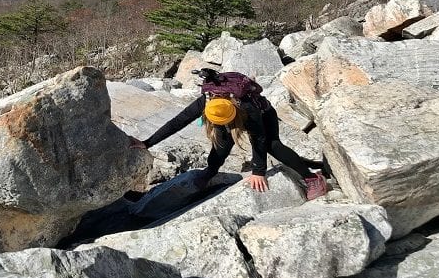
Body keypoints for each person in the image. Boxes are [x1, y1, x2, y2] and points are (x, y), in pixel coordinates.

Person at [129, 69, 327, 201]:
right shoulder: (206, 102)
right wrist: (147, 143)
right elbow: (177, 123)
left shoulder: (248, 108)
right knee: (221, 145)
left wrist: (258, 171)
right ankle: (210, 171)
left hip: (264, 113)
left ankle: (311, 178)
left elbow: (259, 138)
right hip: (225, 115)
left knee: (272, 145)